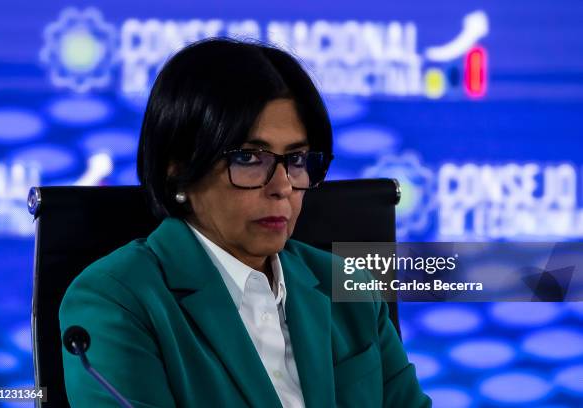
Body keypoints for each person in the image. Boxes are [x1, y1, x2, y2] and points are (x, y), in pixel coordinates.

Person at [59, 38, 431, 407]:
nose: (282, 187)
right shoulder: (116, 300)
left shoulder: (349, 285)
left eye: (298, 159)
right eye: (250, 159)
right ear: (179, 167)